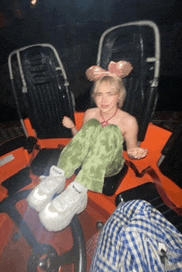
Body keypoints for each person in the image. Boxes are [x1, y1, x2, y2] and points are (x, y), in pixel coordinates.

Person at [27, 61, 148, 232]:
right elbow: (81, 140)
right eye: (99, 94)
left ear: (119, 96)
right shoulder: (91, 113)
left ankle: (78, 192)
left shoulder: (128, 121)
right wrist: (72, 128)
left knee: (109, 132)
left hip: (109, 164)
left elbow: (132, 150)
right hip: (89, 158)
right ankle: (58, 177)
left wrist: (136, 153)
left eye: (110, 94)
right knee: (91, 126)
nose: (104, 100)